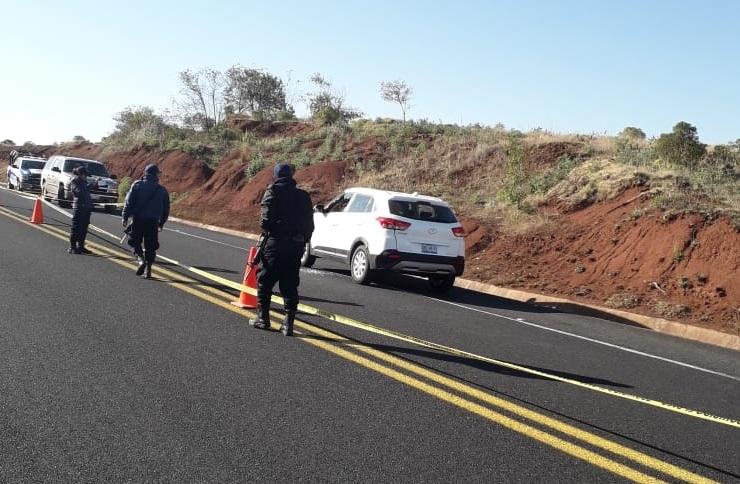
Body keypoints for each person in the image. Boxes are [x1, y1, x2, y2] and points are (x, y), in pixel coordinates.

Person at [249, 163, 314, 336]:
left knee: (265, 281)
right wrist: (300, 239)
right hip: (295, 246)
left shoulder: (273, 192)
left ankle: (262, 319)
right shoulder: (303, 196)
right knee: (290, 283)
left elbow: (265, 221)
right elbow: (310, 226)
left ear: (277, 176)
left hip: (275, 243)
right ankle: (288, 324)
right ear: (291, 176)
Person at [121, 164, 170, 279]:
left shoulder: (137, 185)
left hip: (138, 219)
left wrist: (125, 216)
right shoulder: (162, 190)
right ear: (156, 174)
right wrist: (161, 223)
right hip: (153, 222)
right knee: (151, 246)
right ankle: (148, 271)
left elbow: (129, 202)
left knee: (133, 241)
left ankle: (140, 260)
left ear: (145, 173)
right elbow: (166, 209)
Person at [69, 165, 94, 254]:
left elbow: (87, 191)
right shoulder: (74, 181)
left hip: (86, 208)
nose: (86, 177)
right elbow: (79, 192)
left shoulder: (84, 182)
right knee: (76, 227)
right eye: (85, 175)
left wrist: (94, 184)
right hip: (79, 207)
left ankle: (81, 246)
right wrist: (88, 186)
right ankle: (72, 246)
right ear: (80, 174)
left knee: (84, 228)